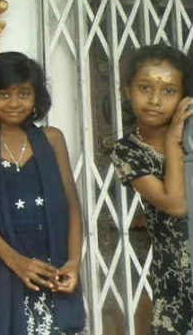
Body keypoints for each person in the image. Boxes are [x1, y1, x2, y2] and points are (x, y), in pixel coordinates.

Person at [0, 52, 86, 335]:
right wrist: (15, 261)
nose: (14, 103)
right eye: (4, 94)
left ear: (36, 97)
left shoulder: (52, 139)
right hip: (6, 265)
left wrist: (73, 262)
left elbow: (71, 205)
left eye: (23, 93)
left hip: (54, 267)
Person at [110, 44, 193, 334]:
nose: (155, 100)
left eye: (169, 91)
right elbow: (175, 204)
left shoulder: (191, 136)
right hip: (177, 277)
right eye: (145, 87)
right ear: (127, 89)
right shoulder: (128, 151)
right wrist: (171, 142)